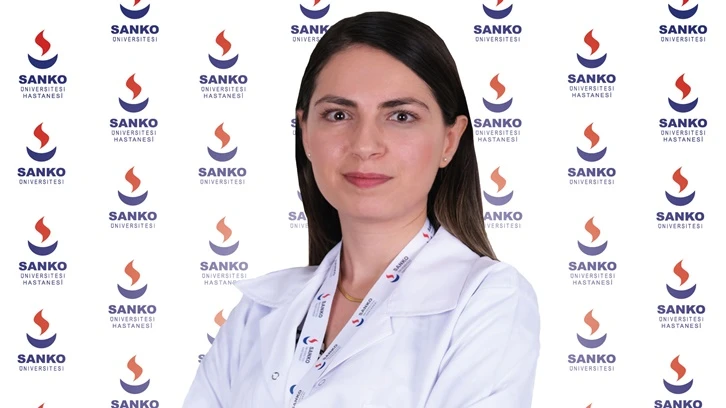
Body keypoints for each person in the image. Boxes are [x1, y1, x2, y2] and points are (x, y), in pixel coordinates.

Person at [182, 10, 540, 408]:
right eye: (339, 115)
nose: (365, 145)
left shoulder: (488, 300)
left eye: (401, 116)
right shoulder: (257, 312)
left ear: (449, 141)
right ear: (305, 133)